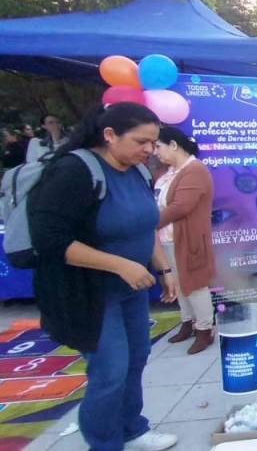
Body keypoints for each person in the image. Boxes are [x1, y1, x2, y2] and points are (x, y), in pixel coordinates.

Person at [28, 103, 179, 450]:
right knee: (110, 370)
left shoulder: (138, 171)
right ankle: (104, 442)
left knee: (136, 358)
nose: (149, 150)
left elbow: (146, 224)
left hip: (132, 289)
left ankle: (132, 429)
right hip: (90, 292)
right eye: (141, 141)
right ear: (110, 135)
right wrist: (120, 265)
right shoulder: (75, 171)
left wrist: (164, 268)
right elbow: (50, 239)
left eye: (153, 142)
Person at [154, 127, 216, 355]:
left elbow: (181, 207)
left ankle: (205, 329)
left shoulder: (194, 170)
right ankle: (188, 321)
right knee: (178, 285)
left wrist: (150, 221)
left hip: (189, 239)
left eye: (158, 146)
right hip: (168, 238)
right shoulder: (170, 172)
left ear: (173, 145)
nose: (155, 152)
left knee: (195, 285)